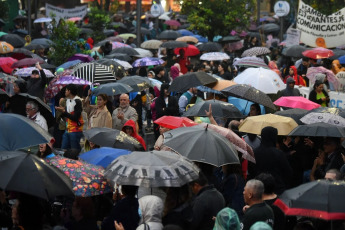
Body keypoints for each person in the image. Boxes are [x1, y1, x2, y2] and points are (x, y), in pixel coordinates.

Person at [249, 126, 293, 195]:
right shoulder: (279, 154)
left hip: (259, 190)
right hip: (277, 190)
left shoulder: (254, 153)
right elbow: (288, 172)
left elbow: (251, 172)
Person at [55, 84, 84, 151]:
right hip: (68, 129)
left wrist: (64, 112)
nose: (65, 92)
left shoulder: (77, 101)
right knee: (63, 150)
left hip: (75, 131)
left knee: (74, 151)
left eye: (66, 90)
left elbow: (75, 118)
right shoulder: (68, 101)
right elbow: (67, 115)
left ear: (69, 91)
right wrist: (61, 112)